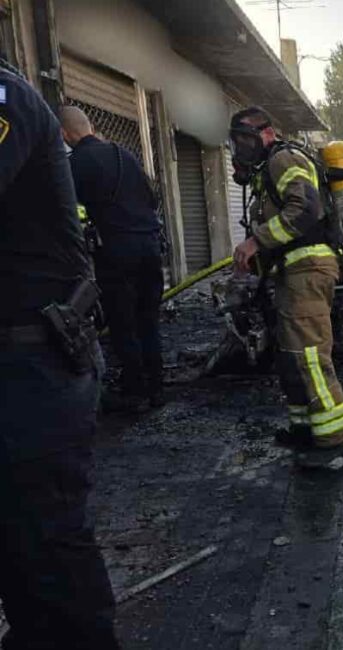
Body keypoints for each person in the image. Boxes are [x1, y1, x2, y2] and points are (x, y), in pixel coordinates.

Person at [0, 64, 119, 649]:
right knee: (18, 546)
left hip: (34, 367)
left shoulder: (4, 95)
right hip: (27, 359)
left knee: (47, 543)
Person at [228, 106, 343, 452]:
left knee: (310, 356)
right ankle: (304, 430)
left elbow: (305, 209)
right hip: (291, 272)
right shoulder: (266, 171)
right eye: (236, 141)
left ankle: (337, 440)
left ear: (266, 134)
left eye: (244, 139)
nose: (240, 148)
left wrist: (257, 240)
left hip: (307, 270)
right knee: (291, 356)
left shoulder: (282, 159)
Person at [61, 105, 165, 412]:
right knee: (149, 319)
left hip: (117, 251)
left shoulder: (74, 164)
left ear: (64, 134)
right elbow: (153, 196)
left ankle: (134, 391)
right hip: (150, 245)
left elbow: (66, 211)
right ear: (90, 126)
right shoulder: (126, 155)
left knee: (123, 322)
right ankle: (156, 389)